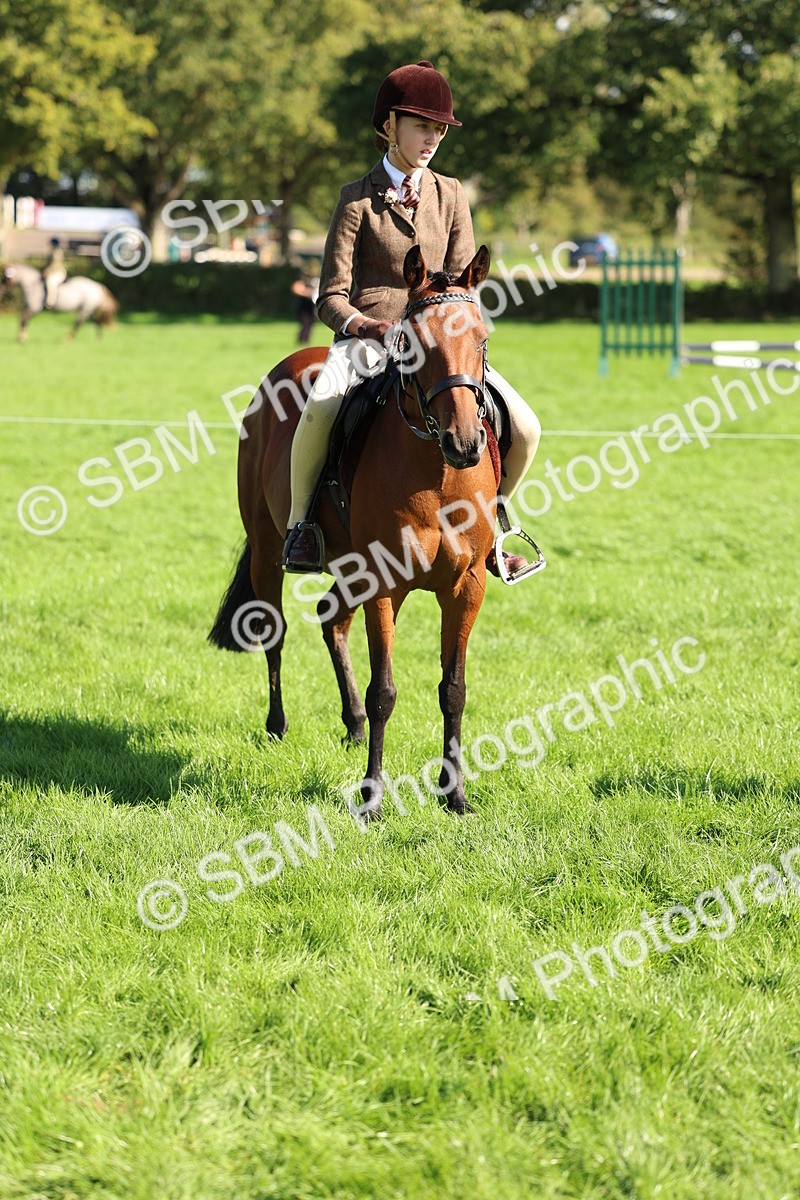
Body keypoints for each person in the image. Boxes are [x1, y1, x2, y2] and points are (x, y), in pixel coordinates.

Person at [283, 60, 541, 575]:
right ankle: (301, 527)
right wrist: (368, 326)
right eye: (422, 126)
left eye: (439, 129)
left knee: (528, 428)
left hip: (443, 343)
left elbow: (466, 284)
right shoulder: (355, 200)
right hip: (371, 339)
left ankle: (492, 520)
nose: (432, 139)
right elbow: (329, 297)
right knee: (319, 408)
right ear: (389, 127)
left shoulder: (451, 194)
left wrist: (457, 334)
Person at [291, 268, 320, 345]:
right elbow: (296, 288)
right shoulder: (303, 278)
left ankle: (305, 341)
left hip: (311, 307)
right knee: (305, 324)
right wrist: (308, 293)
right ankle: (302, 341)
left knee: (310, 325)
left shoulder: (314, 279)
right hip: (304, 306)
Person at [42, 237, 67, 309]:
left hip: (58, 272)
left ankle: (50, 302)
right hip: (53, 272)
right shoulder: (53, 252)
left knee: (50, 282)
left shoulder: (57, 252)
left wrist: (47, 271)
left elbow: (54, 264)